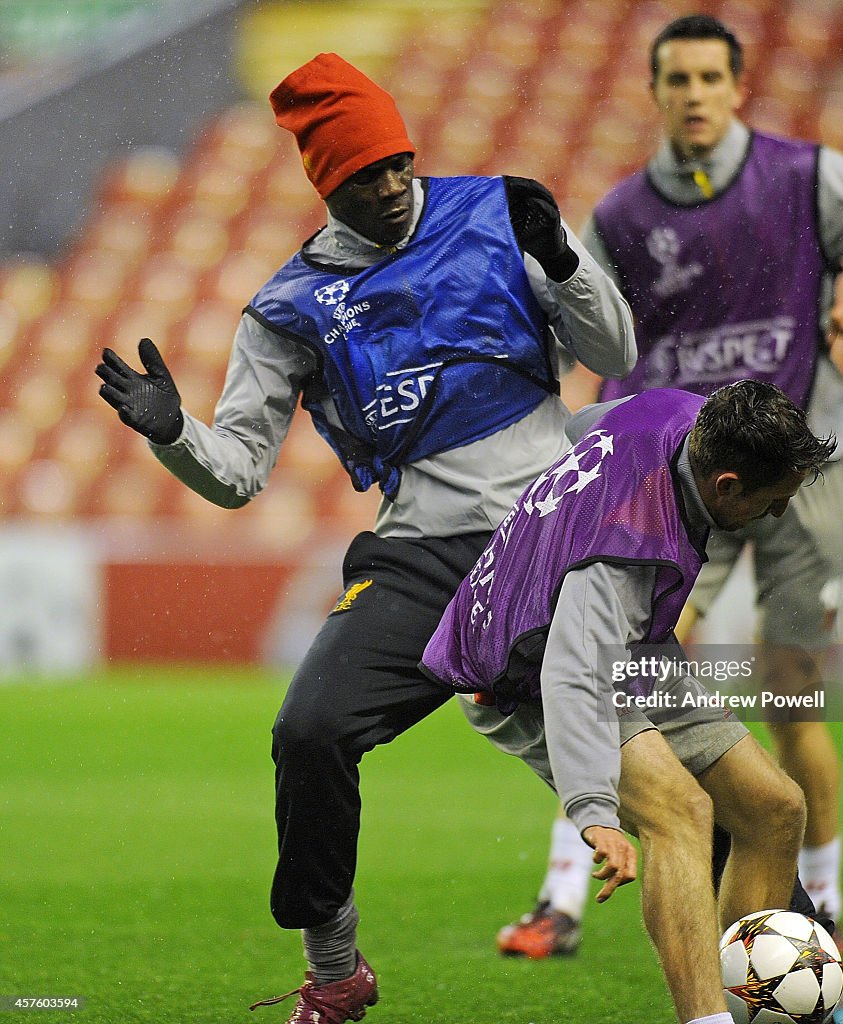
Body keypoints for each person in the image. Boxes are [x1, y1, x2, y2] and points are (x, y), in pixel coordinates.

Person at [95, 52, 636, 1024]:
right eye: (363, 177)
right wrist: (174, 432)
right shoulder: (287, 309)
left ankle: (766, 945)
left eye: (398, 164)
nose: (390, 188)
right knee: (308, 731)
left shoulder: (498, 213)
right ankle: (336, 969)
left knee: (660, 780)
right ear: (323, 184)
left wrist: (560, 258)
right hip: (422, 555)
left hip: (553, 532)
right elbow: (237, 476)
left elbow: (615, 355)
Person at [500, 12, 843, 963]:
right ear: (656, 92)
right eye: (678, 79)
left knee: (791, 688)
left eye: (711, 77)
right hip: (674, 482)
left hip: (799, 471)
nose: (695, 94)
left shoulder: (805, 178)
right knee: (630, 667)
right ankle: (563, 897)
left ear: (737, 86)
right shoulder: (620, 217)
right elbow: (574, 318)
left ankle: (815, 905)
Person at [422, 381, 836, 1024]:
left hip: (633, 645)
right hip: (521, 671)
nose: (778, 515)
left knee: (774, 807)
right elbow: (572, 674)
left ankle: (759, 1000)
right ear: (725, 485)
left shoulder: (682, 412)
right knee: (681, 812)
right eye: (773, 501)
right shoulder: (623, 550)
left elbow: (582, 424)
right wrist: (594, 811)